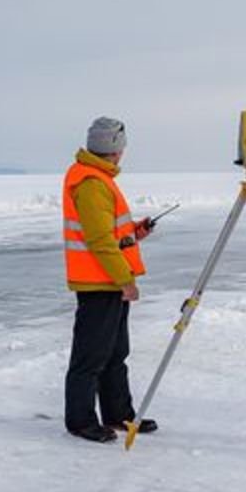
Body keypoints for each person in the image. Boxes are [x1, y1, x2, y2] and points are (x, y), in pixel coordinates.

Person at [62, 117, 159, 443]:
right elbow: (100, 241)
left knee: (116, 353)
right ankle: (80, 421)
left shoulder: (100, 178)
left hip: (108, 282)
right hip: (99, 284)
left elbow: (112, 234)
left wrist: (135, 233)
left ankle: (119, 414)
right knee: (91, 356)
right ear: (116, 149)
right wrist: (125, 281)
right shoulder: (91, 182)